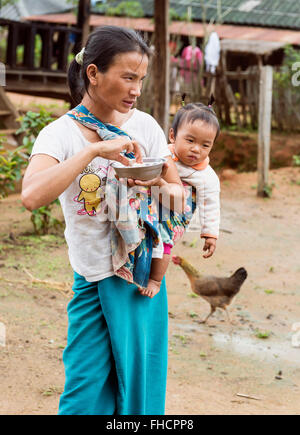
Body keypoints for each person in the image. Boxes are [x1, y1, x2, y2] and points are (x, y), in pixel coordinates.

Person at [21, 25, 185, 415]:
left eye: (141, 79)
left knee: (139, 396)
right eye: (128, 77)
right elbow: (31, 196)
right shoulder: (58, 135)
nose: (136, 90)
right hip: (93, 280)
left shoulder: (145, 125)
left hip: (141, 277)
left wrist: (157, 179)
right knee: (84, 395)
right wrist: (94, 151)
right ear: (93, 73)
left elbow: (177, 199)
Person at [139, 100, 221, 299]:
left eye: (205, 145)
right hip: (151, 204)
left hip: (174, 216)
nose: (196, 149)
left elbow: (210, 205)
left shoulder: (207, 176)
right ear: (173, 135)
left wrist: (210, 234)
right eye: (190, 140)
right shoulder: (162, 155)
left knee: (164, 244)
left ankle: (155, 280)